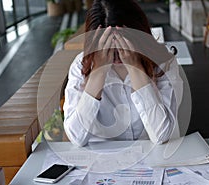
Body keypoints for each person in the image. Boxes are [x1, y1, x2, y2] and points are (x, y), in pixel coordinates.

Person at [63, 0, 180, 147]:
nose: (116, 56)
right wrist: (98, 72)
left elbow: (162, 134)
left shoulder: (164, 63)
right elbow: (76, 138)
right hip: (101, 161)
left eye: (123, 45)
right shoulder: (81, 65)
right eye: (107, 48)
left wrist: (136, 68)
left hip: (150, 158)